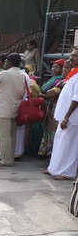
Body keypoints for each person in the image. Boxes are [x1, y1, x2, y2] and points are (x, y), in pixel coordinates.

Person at [0, 53, 27, 167]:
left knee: (3, 136)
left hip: (3, 109)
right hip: (15, 108)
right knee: (11, 135)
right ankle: (10, 158)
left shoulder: (5, 74)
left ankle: (6, 160)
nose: (4, 63)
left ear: (9, 62)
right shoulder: (21, 74)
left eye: (5, 61)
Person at [47, 49, 78, 180]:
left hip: (71, 117)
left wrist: (67, 117)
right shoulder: (73, 73)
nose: (71, 59)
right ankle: (54, 168)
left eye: (75, 56)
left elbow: (76, 98)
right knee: (59, 141)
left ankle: (66, 172)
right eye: (71, 56)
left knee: (68, 145)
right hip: (64, 116)